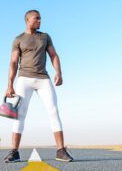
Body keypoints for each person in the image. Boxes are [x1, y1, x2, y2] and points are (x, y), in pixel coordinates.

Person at [4, 10, 73, 163]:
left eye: (40, 18)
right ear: (28, 20)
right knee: (20, 114)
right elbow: (13, 62)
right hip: (24, 79)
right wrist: (10, 85)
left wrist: (59, 73)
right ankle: (14, 152)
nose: (40, 21)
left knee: (54, 111)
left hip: (43, 79)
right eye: (37, 18)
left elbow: (54, 55)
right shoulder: (18, 39)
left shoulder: (45, 37)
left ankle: (61, 150)